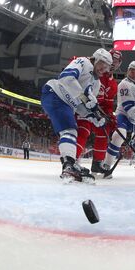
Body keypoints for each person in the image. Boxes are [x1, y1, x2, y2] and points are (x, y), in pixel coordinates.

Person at [41, 48, 112, 183]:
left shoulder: (96, 84)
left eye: (107, 66)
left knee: (71, 131)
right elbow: (66, 78)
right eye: (103, 62)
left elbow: (81, 107)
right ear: (95, 58)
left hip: (66, 103)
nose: (104, 68)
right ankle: (68, 166)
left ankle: (70, 164)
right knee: (69, 130)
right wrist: (85, 98)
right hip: (55, 93)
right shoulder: (84, 62)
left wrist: (93, 116)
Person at [75, 49, 123, 173]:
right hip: (82, 106)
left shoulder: (113, 85)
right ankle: (72, 161)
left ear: (119, 65)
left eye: (117, 61)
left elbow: (107, 104)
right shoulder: (94, 69)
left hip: (97, 112)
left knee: (104, 128)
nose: (113, 63)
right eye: (112, 59)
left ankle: (97, 163)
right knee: (83, 130)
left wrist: (110, 116)